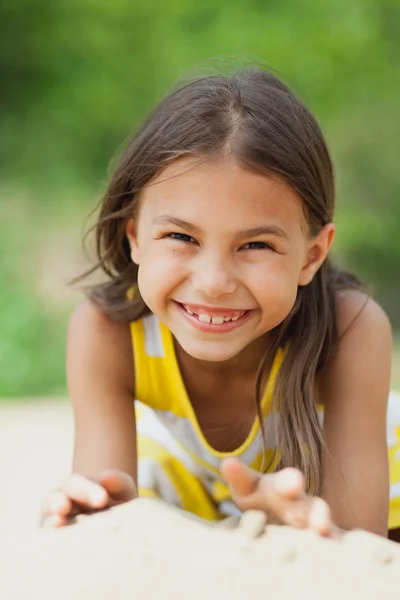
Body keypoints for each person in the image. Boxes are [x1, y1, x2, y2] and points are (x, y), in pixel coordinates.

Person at [41, 66, 400, 540]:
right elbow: (106, 502)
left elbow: (361, 543)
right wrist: (88, 511)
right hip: (201, 490)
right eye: (180, 236)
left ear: (312, 256)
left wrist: (292, 529)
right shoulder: (107, 331)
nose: (213, 283)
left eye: (255, 246)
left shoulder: (350, 330)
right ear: (135, 237)